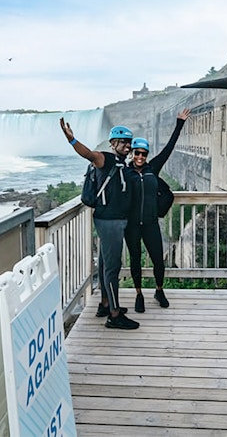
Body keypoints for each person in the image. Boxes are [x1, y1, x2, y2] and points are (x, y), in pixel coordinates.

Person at [59, 118, 139, 330]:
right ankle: (114, 315)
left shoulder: (123, 163)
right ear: (112, 143)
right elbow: (88, 154)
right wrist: (72, 139)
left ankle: (105, 304)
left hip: (114, 220)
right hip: (109, 221)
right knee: (113, 268)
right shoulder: (106, 159)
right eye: (122, 142)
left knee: (104, 264)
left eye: (128, 142)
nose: (127, 145)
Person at [125, 108, 191, 313]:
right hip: (132, 225)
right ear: (132, 153)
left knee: (157, 260)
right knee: (135, 259)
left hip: (151, 223)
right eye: (137, 153)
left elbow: (169, 148)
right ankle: (138, 294)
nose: (141, 157)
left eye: (144, 154)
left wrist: (179, 123)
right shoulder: (124, 172)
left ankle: (159, 290)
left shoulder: (152, 168)